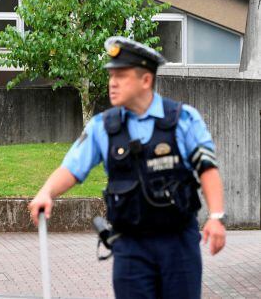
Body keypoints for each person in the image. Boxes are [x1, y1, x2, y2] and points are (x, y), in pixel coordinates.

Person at [28, 36, 226, 299]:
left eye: (121, 75)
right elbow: (72, 168)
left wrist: (216, 217)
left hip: (178, 243)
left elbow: (207, 168)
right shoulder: (102, 126)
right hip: (130, 246)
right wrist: (46, 192)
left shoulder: (183, 119)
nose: (112, 82)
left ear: (146, 80)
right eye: (111, 75)